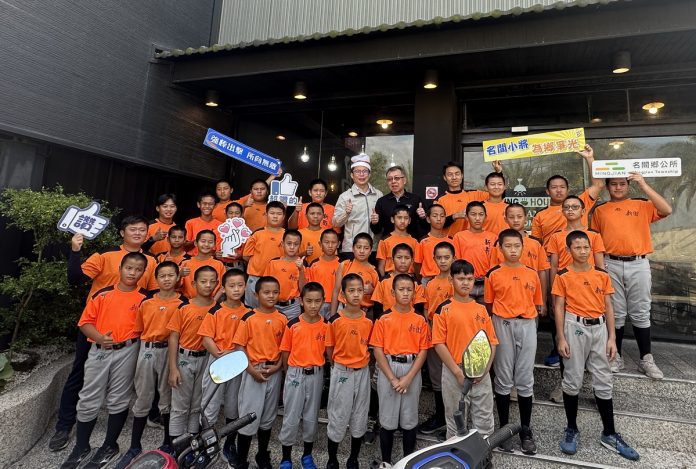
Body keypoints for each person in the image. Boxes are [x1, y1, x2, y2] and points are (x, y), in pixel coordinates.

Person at [50, 216, 157, 452]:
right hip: (95, 328)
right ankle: (64, 425)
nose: (138, 233)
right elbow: (76, 279)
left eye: (142, 230)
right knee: (79, 374)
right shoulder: (105, 255)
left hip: (128, 334)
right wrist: (75, 251)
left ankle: (112, 437)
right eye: (132, 229)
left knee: (124, 385)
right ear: (122, 233)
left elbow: (152, 295)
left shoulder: (150, 261)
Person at [553, 231, 639, 461]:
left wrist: (612, 338)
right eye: (577, 247)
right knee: (572, 379)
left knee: (604, 379)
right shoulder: (563, 275)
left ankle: (609, 433)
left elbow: (608, 305)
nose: (582, 251)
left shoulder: (601, 274)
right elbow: (559, 307)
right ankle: (571, 428)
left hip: (599, 328)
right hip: (575, 327)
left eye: (586, 247)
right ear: (568, 250)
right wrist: (561, 337)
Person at [60, 253, 149, 469]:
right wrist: (99, 337)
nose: (132, 273)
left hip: (128, 349)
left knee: (119, 398)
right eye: (129, 268)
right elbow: (85, 323)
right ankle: (81, 446)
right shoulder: (102, 294)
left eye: (138, 269)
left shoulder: (144, 299)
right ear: (120, 268)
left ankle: (110, 445)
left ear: (143, 273)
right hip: (99, 350)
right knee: (89, 396)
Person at [590, 174, 672, 378]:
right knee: (615, 312)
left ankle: (646, 359)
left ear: (628, 186)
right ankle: (615, 356)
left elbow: (666, 210)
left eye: (622, 184)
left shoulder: (641, 204)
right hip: (610, 263)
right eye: (613, 184)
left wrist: (643, 184)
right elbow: (595, 241)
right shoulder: (600, 210)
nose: (618, 188)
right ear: (607, 187)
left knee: (641, 311)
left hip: (638, 262)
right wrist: (599, 268)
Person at [113, 261, 184, 468]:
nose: (167, 279)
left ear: (178, 278)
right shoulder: (147, 302)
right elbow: (139, 329)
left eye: (171, 275)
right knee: (143, 396)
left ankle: (168, 442)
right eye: (162, 275)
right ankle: (134, 445)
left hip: (170, 351)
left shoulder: (182, 303)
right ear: (156, 278)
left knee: (167, 396)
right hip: (148, 349)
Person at [484, 229, 543, 454]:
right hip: (503, 323)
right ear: (500, 248)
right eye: (508, 246)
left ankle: (526, 429)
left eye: (517, 246)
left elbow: (536, 303)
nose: (513, 250)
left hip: (527, 323)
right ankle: (504, 429)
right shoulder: (494, 273)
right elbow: (489, 304)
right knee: (503, 377)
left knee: (525, 378)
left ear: (523, 247)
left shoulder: (532, 273)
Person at [432, 260, 498, 439]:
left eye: (469, 279)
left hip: (481, 372)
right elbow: (438, 343)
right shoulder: (443, 309)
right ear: (451, 280)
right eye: (461, 279)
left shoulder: (481, 309)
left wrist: (485, 370)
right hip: (455, 371)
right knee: (456, 423)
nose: (465, 283)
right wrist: (457, 372)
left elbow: (492, 342)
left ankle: (482, 454)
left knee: (484, 423)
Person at [371, 274, 430, 465]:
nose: (405, 293)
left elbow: (423, 351)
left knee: (409, 419)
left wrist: (408, 378)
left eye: (409, 290)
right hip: (388, 368)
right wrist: (393, 379)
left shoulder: (419, 319)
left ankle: (407, 462)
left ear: (414, 292)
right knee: (387, 420)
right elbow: (378, 350)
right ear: (393, 292)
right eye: (401, 289)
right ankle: (386, 462)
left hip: (411, 369)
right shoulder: (384, 318)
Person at [233, 276, 288, 469]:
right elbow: (239, 347)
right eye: (266, 292)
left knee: (268, 417)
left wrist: (278, 366)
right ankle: (241, 459)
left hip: (273, 370)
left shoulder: (282, 319)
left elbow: (285, 348)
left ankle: (262, 454)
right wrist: (251, 371)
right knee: (248, 417)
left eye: (275, 292)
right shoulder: (249, 318)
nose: (271, 296)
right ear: (256, 295)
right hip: (253, 370)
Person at [197, 268, 247, 465]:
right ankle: (206, 446)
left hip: (238, 363)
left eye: (240, 285)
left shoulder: (248, 313)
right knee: (209, 404)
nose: (236, 289)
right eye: (232, 286)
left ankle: (229, 444)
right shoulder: (216, 311)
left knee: (233, 406)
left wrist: (235, 355)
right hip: (217, 361)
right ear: (223, 288)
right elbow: (206, 338)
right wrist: (219, 354)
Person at [325, 274, 374, 469]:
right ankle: (332, 458)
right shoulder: (335, 320)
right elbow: (330, 348)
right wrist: (337, 365)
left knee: (360, 414)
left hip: (362, 372)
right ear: (343, 295)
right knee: (338, 414)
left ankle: (353, 458)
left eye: (359, 290)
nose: (356, 294)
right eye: (351, 290)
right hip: (342, 371)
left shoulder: (368, 321)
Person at [278, 282, 329, 469]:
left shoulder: (326, 326)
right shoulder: (293, 325)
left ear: (323, 301)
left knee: (311, 416)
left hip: (316, 374)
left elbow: (327, 352)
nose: (313, 305)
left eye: (317, 301)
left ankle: (307, 456)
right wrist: (289, 372)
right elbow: (285, 352)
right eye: (309, 301)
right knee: (291, 415)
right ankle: (286, 458)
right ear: (301, 301)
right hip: (295, 373)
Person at [166, 266, 216, 453]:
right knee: (179, 406)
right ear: (194, 283)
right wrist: (173, 368)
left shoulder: (217, 308)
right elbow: (173, 337)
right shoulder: (184, 307)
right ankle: (176, 447)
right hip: (185, 359)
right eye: (203, 281)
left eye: (212, 281)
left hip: (206, 359)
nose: (208, 285)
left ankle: (192, 445)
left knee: (197, 404)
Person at [532, 144, 604, 245]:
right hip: (551, 254)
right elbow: (536, 244)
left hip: (580, 253)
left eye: (562, 187)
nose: (558, 190)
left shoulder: (580, 203)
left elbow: (598, 185)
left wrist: (589, 158)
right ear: (547, 191)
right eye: (554, 187)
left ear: (568, 190)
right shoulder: (540, 215)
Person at [419, 241, 455, 435]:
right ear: (433, 259)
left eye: (446, 257)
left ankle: (453, 420)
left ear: (453, 259)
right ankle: (440, 416)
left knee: (453, 376)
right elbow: (427, 309)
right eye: (439, 258)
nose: (443, 261)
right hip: (434, 333)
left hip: (453, 335)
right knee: (436, 376)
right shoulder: (430, 284)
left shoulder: (455, 282)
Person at [332, 153, 383, 260]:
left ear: (369, 174)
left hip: (373, 248)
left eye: (365, 171)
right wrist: (346, 213)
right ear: (352, 175)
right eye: (357, 171)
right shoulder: (345, 196)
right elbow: (336, 223)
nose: (361, 174)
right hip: (351, 248)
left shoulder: (378, 194)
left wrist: (378, 220)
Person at [435, 161, 501, 237]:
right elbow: (436, 224)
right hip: (450, 241)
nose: (454, 177)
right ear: (445, 177)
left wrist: (499, 173)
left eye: (457, 174)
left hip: (472, 241)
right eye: (450, 174)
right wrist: (455, 216)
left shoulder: (474, 194)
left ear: (462, 175)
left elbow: (497, 193)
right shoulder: (440, 200)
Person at [242, 201, 285, 308]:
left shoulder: (286, 235)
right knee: (251, 310)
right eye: (272, 213)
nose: (275, 216)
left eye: (279, 214)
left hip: (277, 278)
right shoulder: (257, 234)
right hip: (256, 277)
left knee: (272, 310)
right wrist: (258, 266)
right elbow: (246, 256)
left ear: (284, 216)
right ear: (266, 214)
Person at [452, 202, 497, 303]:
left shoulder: (493, 237)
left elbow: (495, 263)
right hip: (466, 282)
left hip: (486, 283)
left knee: (484, 311)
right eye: (473, 214)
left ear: (485, 217)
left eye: (481, 214)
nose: (477, 218)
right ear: (467, 217)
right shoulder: (459, 237)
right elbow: (456, 261)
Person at [370, 165, 427, 239]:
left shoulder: (415, 199)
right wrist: (374, 223)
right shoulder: (382, 201)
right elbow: (376, 231)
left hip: (411, 243)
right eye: (390, 179)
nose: (393, 181)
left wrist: (423, 217)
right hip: (388, 243)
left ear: (404, 180)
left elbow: (425, 227)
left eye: (397, 178)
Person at [371, 244, 426, 318]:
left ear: (412, 260)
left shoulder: (417, 284)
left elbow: (419, 309)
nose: (403, 261)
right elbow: (377, 307)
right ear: (393, 259)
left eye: (407, 258)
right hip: (387, 321)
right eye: (399, 257)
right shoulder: (383, 282)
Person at [330, 233, 379, 316]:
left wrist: (373, 291)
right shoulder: (345, 265)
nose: (362, 251)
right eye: (358, 247)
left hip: (365, 313)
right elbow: (336, 291)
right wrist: (332, 316)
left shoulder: (374, 271)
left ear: (371, 251)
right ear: (353, 249)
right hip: (344, 309)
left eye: (366, 248)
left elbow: (380, 296)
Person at [264, 229, 307, 320]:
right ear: (282, 244)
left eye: (296, 244)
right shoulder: (273, 263)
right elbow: (265, 286)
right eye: (289, 243)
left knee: (292, 328)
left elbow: (304, 289)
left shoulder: (302, 264)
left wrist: (301, 270)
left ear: (300, 245)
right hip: (273, 304)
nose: (292, 247)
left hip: (293, 307)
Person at [414, 204, 454, 286]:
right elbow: (417, 264)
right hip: (427, 280)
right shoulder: (423, 241)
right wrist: (422, 280)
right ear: (428, 219)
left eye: (442, 216)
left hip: (447, 279)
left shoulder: (451, 240)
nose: (439, 219)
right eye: (435, 216)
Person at [178, 230, 225, 299]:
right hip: (188, 302)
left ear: (214, 244)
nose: (206, 244)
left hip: (212, 301)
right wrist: (180, 275)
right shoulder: (186, 263)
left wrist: (214, 302)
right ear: (196, 243)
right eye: (203, 241)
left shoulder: (219, 264)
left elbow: (222, 287)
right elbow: (177, 286)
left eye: (210, 242)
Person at [376, 205, 419, 278]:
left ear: (409, 221)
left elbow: (417, 265)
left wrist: (416, 280)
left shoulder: (414, 242)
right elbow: (381, 266)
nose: (402, 221)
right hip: (390, 277)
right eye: (399, 218)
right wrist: (383, 280)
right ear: (392, 219)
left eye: (406, 218)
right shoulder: (385, 241)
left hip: (409, 277)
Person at [306, 229, 340, 319]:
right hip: (317, 303)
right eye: (326, 242)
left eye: (333, 242)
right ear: (320, 244)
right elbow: (309, 286)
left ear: (338, 244)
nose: (330, 246)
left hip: (337, 303)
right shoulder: (314, 264)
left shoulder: (342, 264)